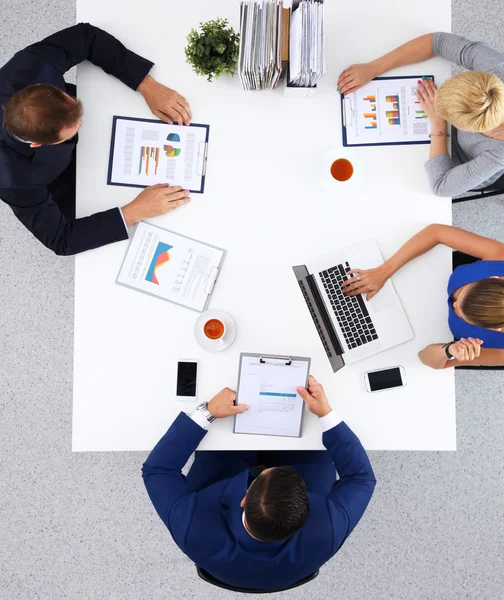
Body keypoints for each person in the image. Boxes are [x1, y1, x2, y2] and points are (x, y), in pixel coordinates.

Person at [142, 378, 376, 591]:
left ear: (245, 497)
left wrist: (208, 412)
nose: (265, 466)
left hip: (220, 484)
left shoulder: (193, 527)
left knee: (225, 443)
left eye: (264, 473)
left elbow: (158, 470)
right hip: (303, 482)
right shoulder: (327, 530)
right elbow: (360, 478)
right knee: (309, 440)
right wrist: (325, 414)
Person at [0, 23, 193, 255]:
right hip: (62, 180)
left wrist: (146, 84)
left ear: (42, 86)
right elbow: (62, 239)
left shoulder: (30, 66)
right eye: (73, 127)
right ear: (39, 144)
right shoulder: (13, 181)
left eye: (74, 110)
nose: (81, 122)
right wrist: (136, 210)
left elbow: (86, 37)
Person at [337, 32, 504, 197]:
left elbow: (441, 186)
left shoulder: (499, 153)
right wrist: (374, 68)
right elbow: (437, 42)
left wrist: (438, 123)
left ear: (467, 127)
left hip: (462, 162)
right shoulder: (496, 67)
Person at [342, 224, 504, 369]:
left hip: (419, 325)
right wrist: (383, 272)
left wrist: (449, 350)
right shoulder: (499, 258)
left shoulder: (500, 351)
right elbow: (436, 232)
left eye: (462, 315)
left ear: (495, 329)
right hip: (425, 270)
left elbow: (426, 358)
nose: (454, 306)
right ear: (494, 278)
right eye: (462, 293)